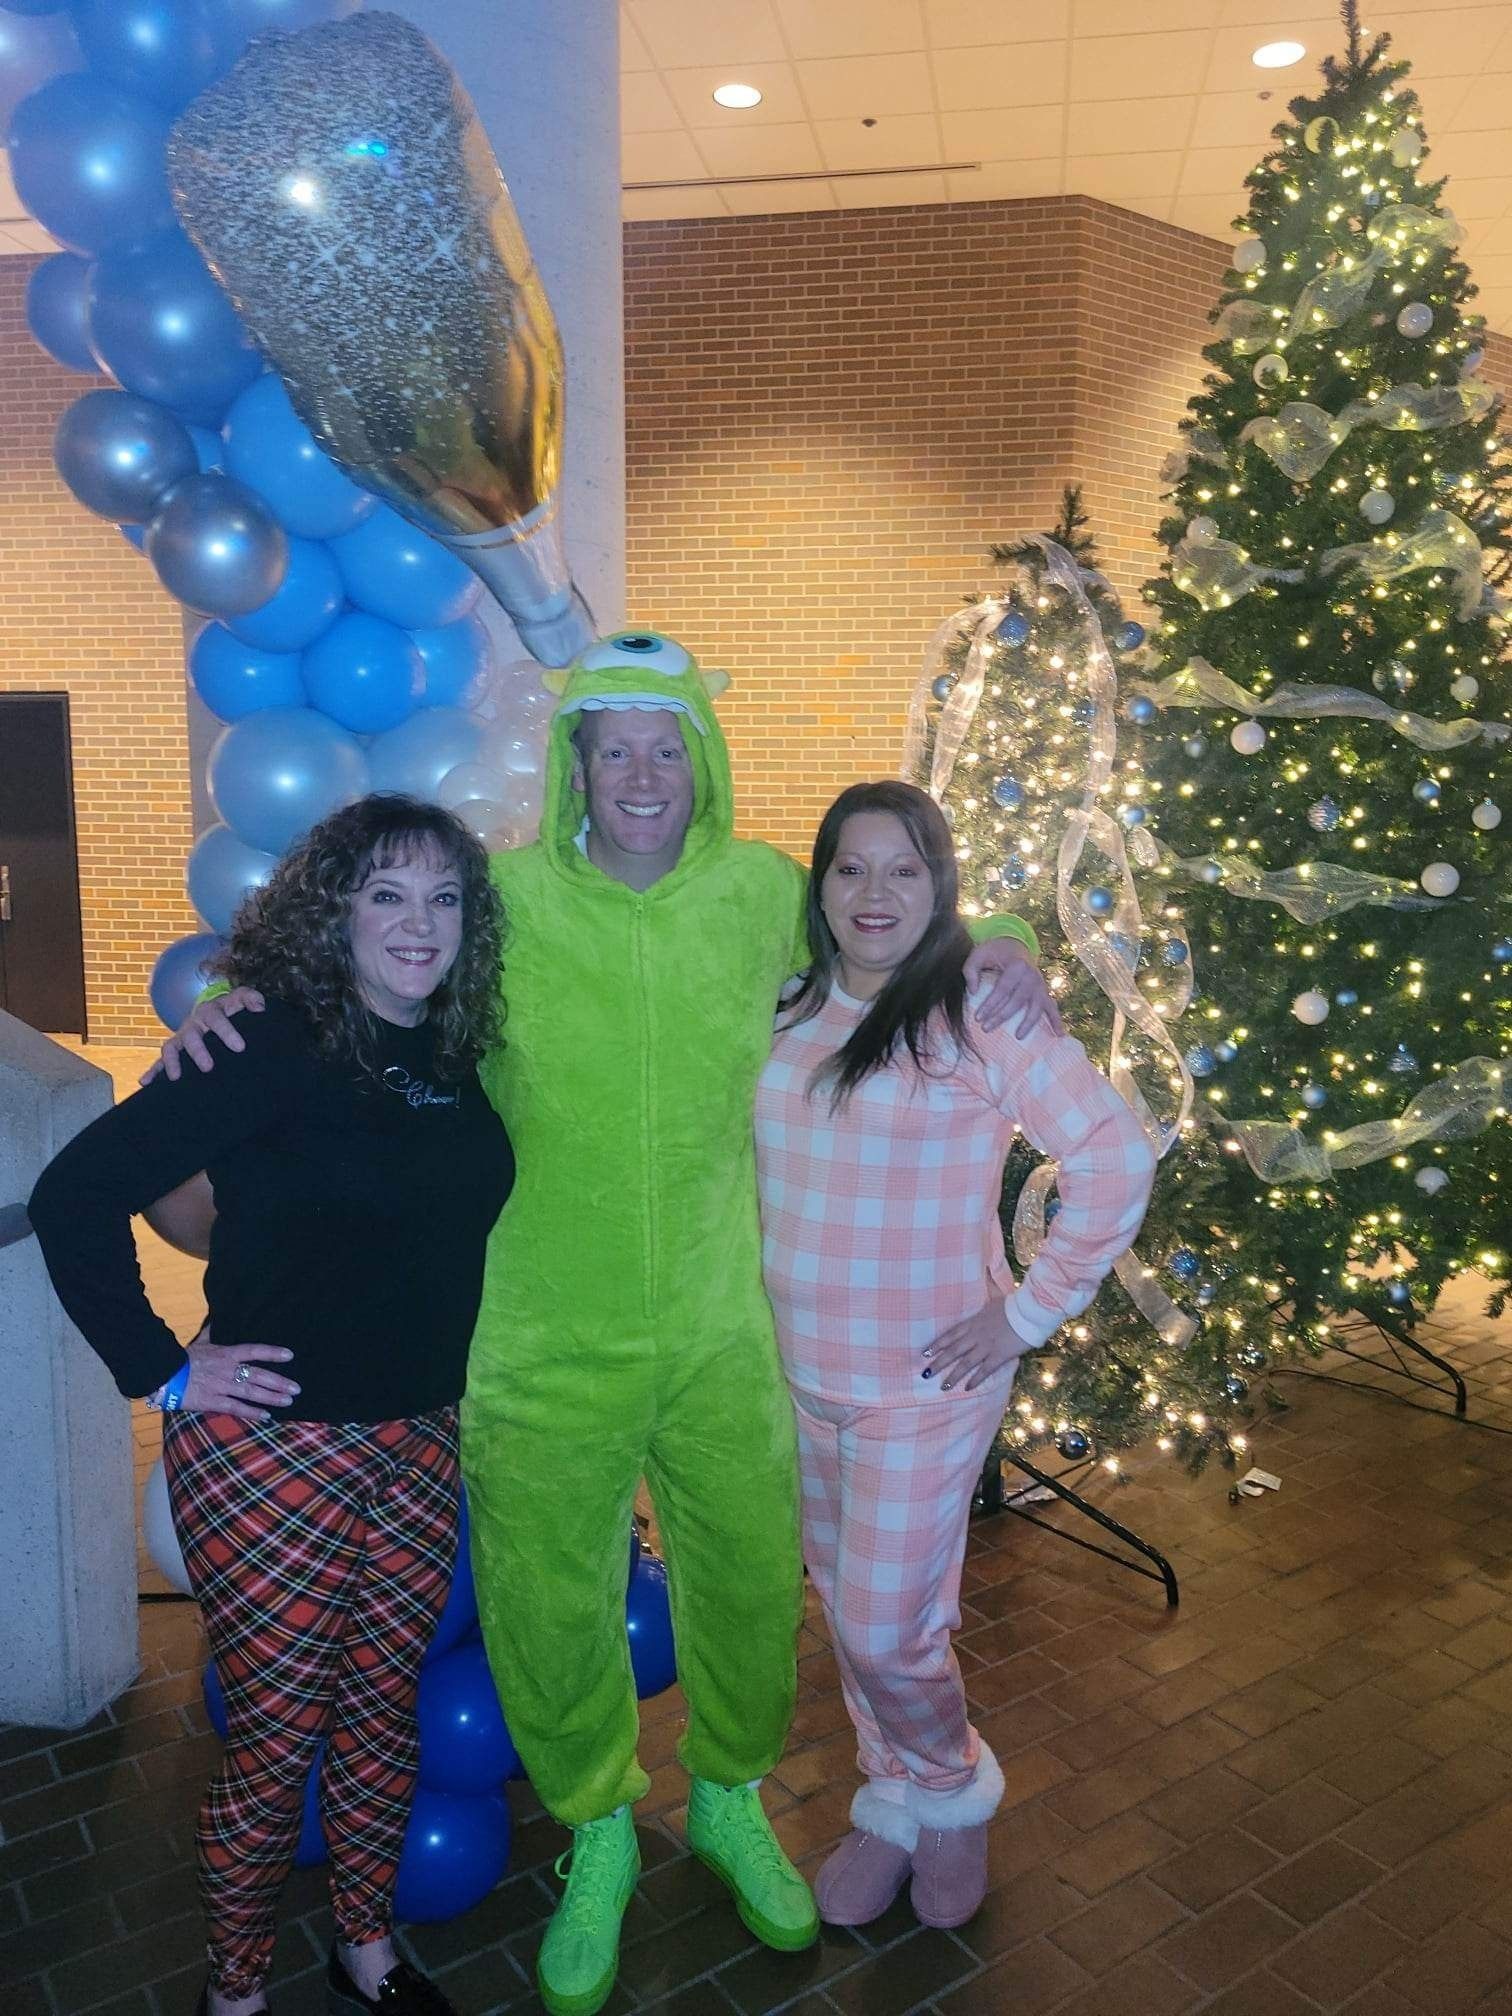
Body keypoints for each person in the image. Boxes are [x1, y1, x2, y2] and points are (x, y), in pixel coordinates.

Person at [158, 631, 1058, 2016]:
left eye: (664, 744)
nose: (641, 772)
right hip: (536, 1335)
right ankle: (592, 1831)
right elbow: (352, 947)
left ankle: (731, 1799)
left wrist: (1003, 946)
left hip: (722, 1326)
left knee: (751, 1582)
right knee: (548, 1601)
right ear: (576, 766)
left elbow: (903, 920)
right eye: (611, 745)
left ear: (700, 759)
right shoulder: (502, 899)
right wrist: (222, 1008)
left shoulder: (764, 893)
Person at [30, 796, 516, 2016]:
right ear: (335, 910)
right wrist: (165, 1371)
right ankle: (235, 1988)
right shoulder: (262, 1042)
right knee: (275, 1738)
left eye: (444, 897)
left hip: (416, 1437)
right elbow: (74, 1195)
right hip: (267, 1453)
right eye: (387, 895)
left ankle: (366, 1951)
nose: (420, 923)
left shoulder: (457, 1052)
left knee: (379, 1716)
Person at [755, 780, 1156, 1931]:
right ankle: (891, 1795)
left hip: (923, 1387)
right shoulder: (782, 1006)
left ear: (939, 886)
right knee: (848, 1605)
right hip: (798, 1375)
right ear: (819, 885)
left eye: (903, 870)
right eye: (849, 869)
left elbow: (1114, 1159)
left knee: (892, 1628)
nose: (873, 894)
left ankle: (952, 1791)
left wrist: (1026, 1315)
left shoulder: (978, 1010)